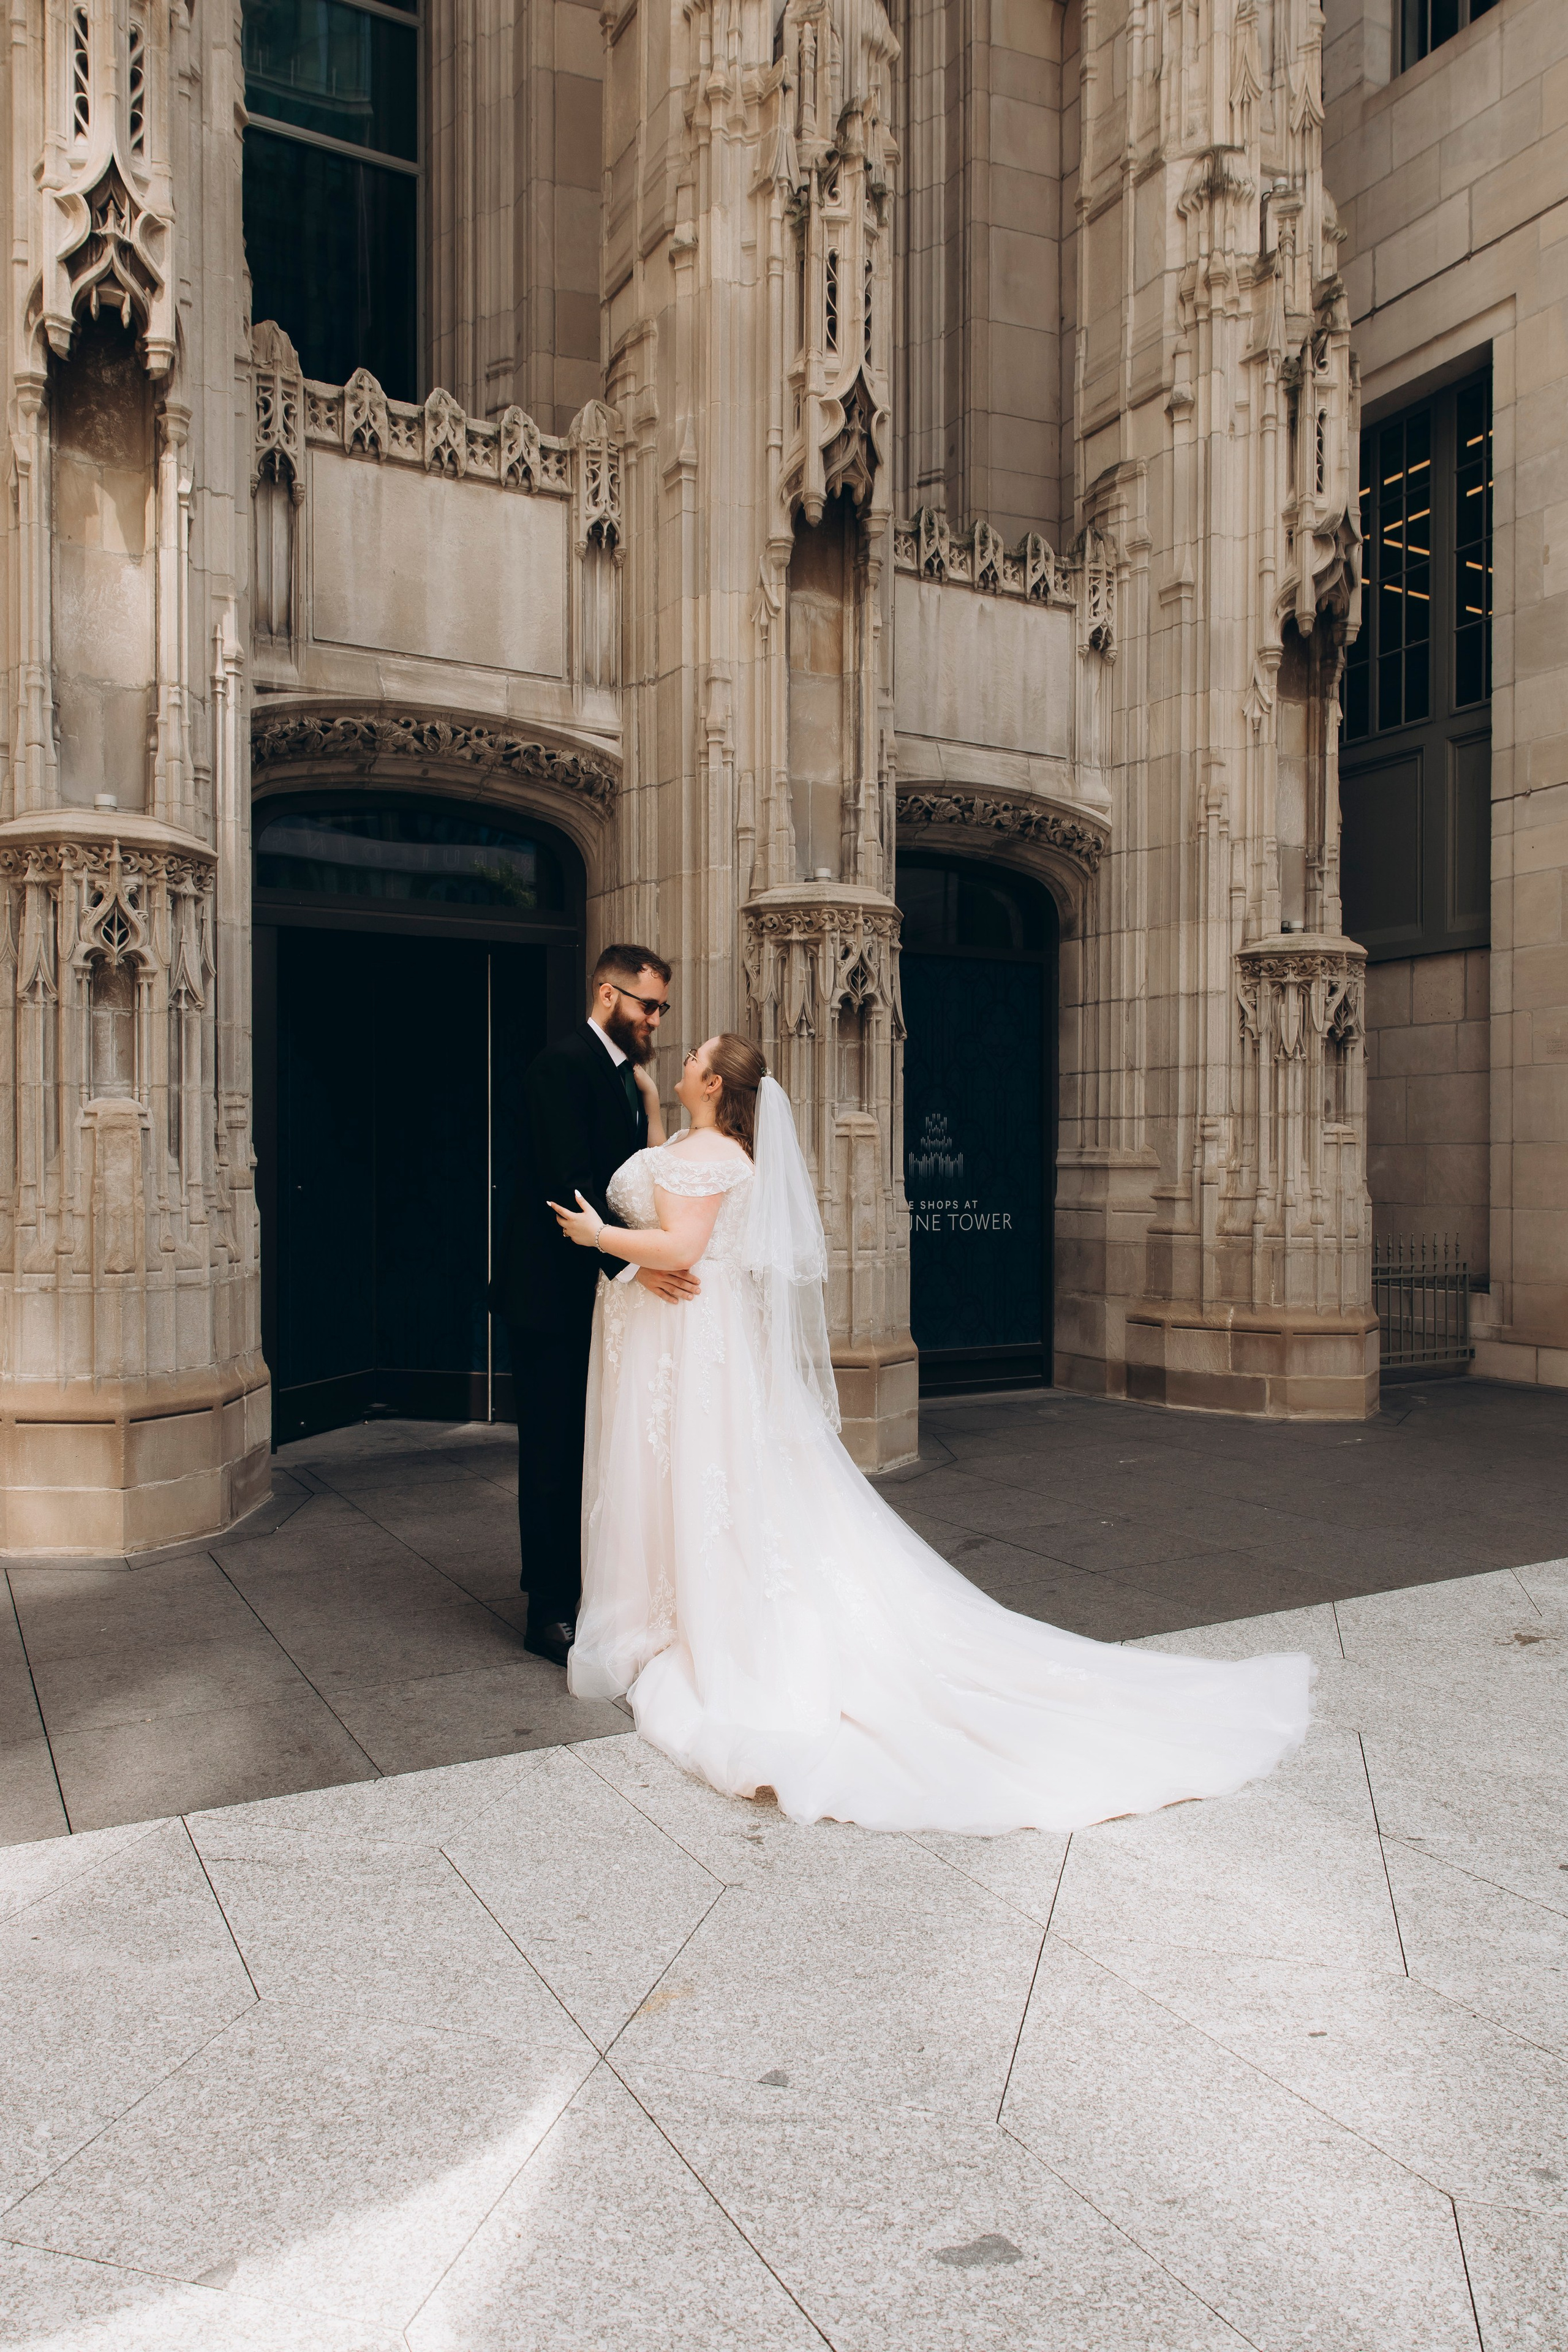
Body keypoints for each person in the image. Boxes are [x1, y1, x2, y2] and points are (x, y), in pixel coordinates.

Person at [549, 1036, 1313, 1836]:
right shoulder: (702, 1144)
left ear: (711, 1082)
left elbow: (683, 1248)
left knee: (704, 1480)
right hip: (692, 1341)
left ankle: (702, 1621)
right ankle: (678, 1606)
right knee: (705, 1481)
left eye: (693, 1056)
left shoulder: (712, 1156)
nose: (679, 1059)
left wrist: (598, 1236)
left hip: (694, 1347)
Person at [494, 945, 698, 1667]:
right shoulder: (561, 1065)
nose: (657, 1019)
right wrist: (636, 1265)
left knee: (594, 1447)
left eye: (662, 1007)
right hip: (550, 1297)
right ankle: (546, 1609)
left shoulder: (624, 1076)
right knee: (553, 1451)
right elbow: (566, 1185)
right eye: (650, 1005)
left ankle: (591, 1589)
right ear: (609, 995)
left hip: (602, 1297)